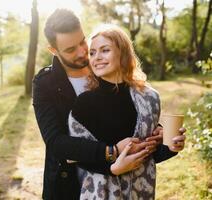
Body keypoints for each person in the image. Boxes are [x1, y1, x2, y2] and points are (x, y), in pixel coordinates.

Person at [32, 9, 185, 200]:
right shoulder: (45, 83)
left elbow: (127, 124)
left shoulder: (104, 67)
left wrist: (160, 136)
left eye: (82, 42)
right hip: (69, 184)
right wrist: (112, 153)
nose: (83, 52)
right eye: (71, 49)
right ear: (53, 50)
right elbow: (56, 142)